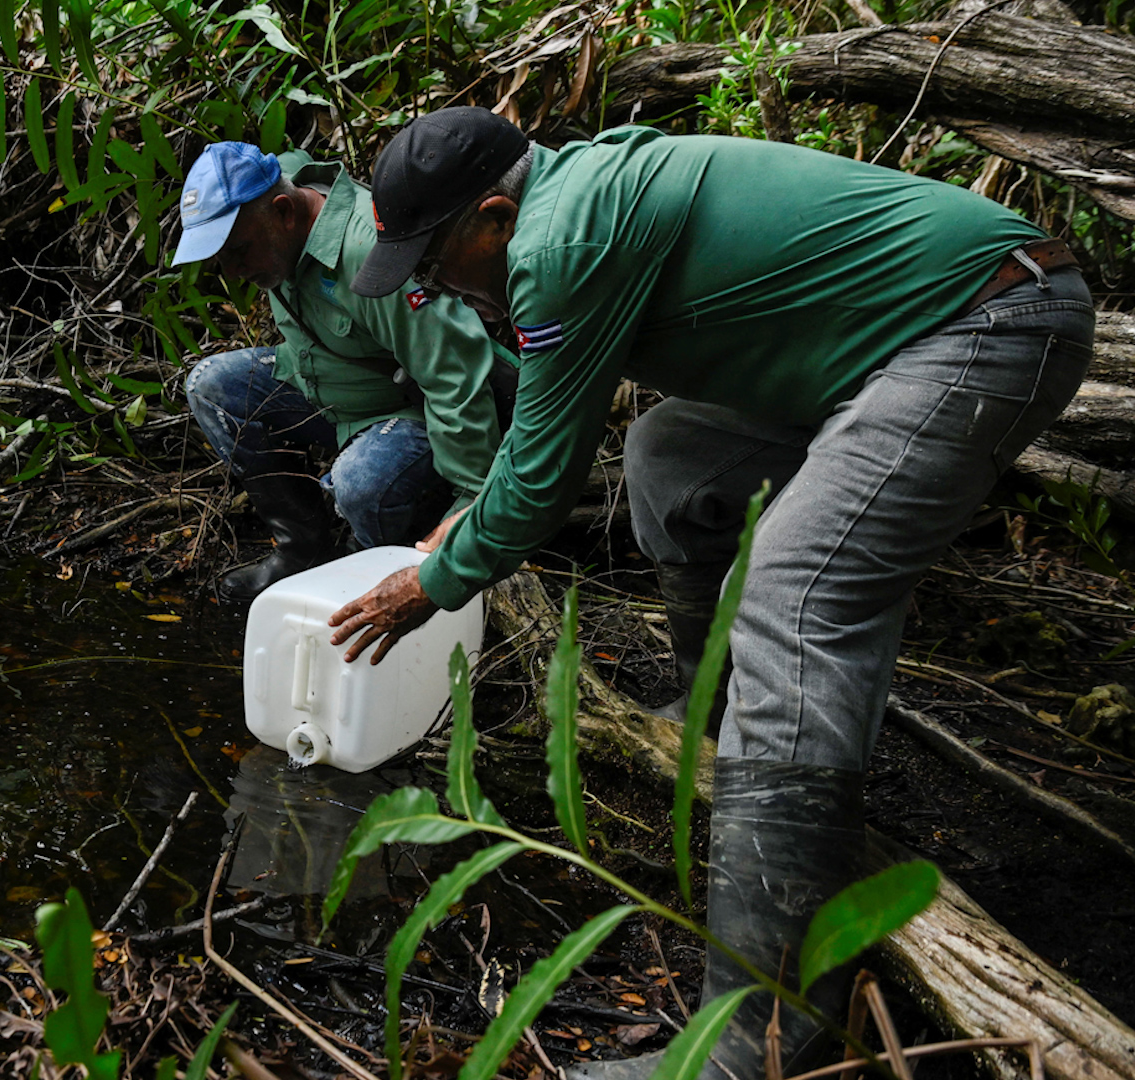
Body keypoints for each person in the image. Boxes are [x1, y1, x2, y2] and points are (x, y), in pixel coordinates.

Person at [329, 108, 1094, 1078]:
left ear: (491, 216)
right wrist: (471, 522)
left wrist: (427, 583)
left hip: (986, 321)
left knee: (794, 591)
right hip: (888, 341)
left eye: (431, 267)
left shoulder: (558, 242)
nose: (424, 294)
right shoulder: (562, 207)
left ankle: (758, 1034)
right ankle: (722, 733)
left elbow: (540, 483)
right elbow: (533, 447)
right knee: (668, 458)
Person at [171, 141, 515, 600]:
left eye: (240, 251)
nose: (234, 271)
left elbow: (455, 372)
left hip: (409, 411)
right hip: (328, 390)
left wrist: (474, 505)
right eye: (223, 259)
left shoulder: (364, 252)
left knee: (359, 481)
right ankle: (302, 551)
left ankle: (369, 568)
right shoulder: (284, 208)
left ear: (283, 212)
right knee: (213, 386)